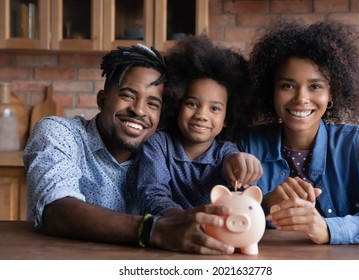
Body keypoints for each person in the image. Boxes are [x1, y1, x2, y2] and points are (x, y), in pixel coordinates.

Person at [24, 44, 236, 255]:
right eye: (128, 95)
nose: (138, 110)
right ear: (102, 99)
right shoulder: (59, 133)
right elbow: (56, 209)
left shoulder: (160, 153)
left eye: (152, 104)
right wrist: (153, 229)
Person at [225, 19, 359, 244]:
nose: (301, 98)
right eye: (287, 86)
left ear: (332, 93)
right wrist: (263, 204)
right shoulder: (246, 145)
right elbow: (221, 217)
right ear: (270, 91)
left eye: (315, 86)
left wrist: (330, 229)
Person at [137, 34, 262, 217]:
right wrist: (186, 219)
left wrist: (240, 166)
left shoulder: (226, 153)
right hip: (168, 233)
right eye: (192, 104)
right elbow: (152, 197)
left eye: (214, 108)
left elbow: (234, 166)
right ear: (177, 103)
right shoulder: (158, 144)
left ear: (228, 117)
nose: (201, 115)